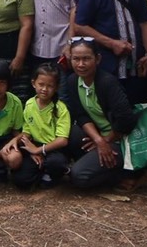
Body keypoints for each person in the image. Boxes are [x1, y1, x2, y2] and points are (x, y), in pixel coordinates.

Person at [61, 37, 142, 191]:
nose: (81, 64)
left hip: (119, 139)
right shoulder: (72, 81)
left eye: (86, 59)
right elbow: (80, 115)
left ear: (97, 59)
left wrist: (106, 141)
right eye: (76, 59)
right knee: (68, 133)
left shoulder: (107, 82)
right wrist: (99, 141)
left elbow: (126, 120)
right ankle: (97, 163)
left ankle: (128, 174)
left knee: (79, 177)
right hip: (99, 136)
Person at [2, 62, 71, 189]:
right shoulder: (29, 104)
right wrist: (15, 140)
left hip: (53, 148)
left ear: (56, 88)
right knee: (21, 181)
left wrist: (39, 150)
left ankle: (51, 173)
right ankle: (39, 170)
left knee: (56, 162)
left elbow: (62, 140)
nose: (44, 89)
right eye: (41, 84)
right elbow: (27, 131)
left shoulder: (60, 108)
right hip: (35, 145)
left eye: (50, 86)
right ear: (33, 83)